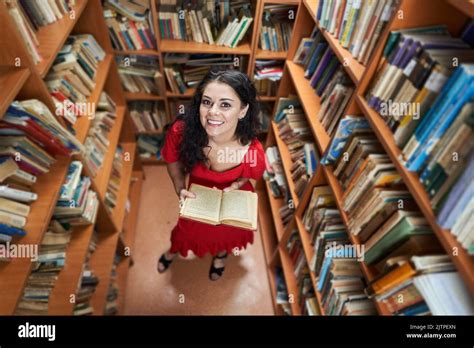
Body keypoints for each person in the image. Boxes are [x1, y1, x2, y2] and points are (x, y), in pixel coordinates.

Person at [157, 68, 265, 281]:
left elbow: (249, 177)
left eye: (225, 104)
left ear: (242, 111)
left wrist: (238, 184)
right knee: (186, 231)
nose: (212, 112)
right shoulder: (180, 131)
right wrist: (180, 188)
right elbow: (172, 161)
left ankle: (221, 255)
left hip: (232, 202)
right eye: (206, 102)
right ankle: (174, 251)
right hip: (198, 198)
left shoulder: (253, 151)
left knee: (226, 234)